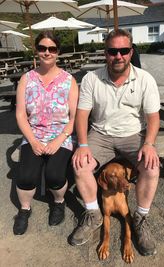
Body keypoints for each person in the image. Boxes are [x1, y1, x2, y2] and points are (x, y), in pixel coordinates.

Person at [70, 29, 160, 257]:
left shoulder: (144, 79)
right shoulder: (92, 78)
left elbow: (153, 117)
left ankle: (140, 218)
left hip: (133, 134)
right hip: (100, 134)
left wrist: (149, 143)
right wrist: (82, 145)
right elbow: (82, 115)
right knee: (80, 166)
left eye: (123, 50)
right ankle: (94, 214)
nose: (118, 55)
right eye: (113, 51)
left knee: (151, 167)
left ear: (131, 52)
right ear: (105, 53)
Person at [13, 31, 79, 235]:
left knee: (54, 175)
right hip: (34, 135)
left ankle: (58, 202)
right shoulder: (26, 78)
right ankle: (24, 209)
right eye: (42, 48)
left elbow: (75, 117)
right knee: (25, 177)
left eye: (51, 49)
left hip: (62, 135)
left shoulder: (69, 80)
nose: (47, 52)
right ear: (37, 50)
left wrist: (59, 140)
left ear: (58, 51)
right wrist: (32, 141)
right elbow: (20, 114)